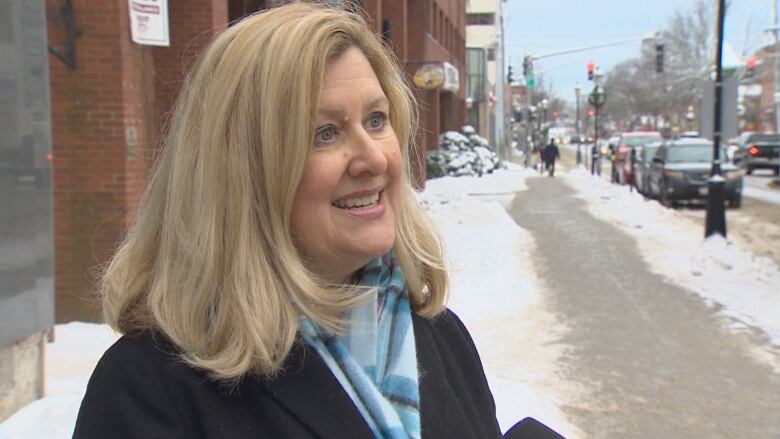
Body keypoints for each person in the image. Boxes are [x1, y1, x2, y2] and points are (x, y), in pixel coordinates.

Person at [72, 4, 505, 439]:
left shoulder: (440, 337)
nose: (373, 158)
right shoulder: (148, 390)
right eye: (325, 133)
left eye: (376, 120)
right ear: (243, 172)